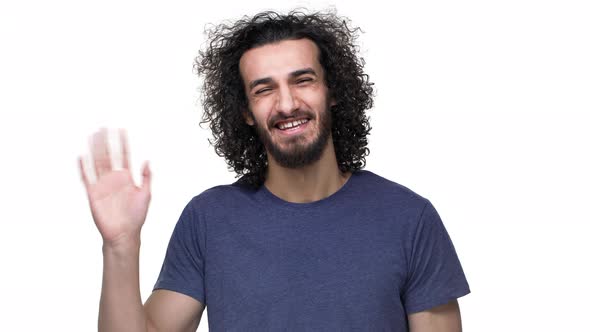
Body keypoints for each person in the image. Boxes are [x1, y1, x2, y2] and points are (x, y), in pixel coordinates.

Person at [79, 9, 470, 332]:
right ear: (246, 111)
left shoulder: (409, 218)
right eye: (264, 89)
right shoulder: (209, 219)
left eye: (303, 81)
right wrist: (121, 246)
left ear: (332, 91)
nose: (287, 104)